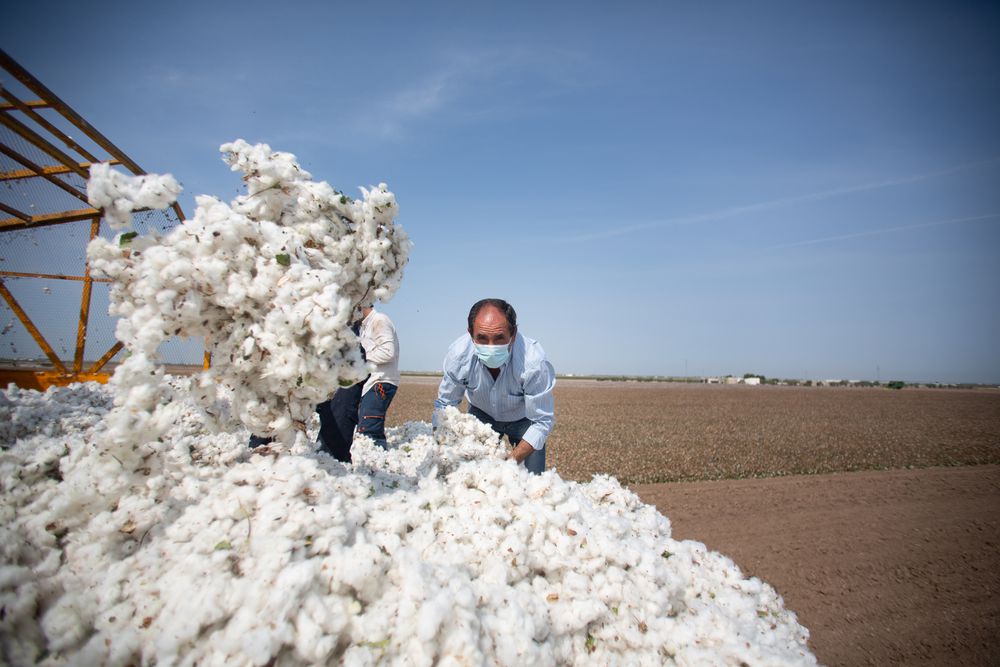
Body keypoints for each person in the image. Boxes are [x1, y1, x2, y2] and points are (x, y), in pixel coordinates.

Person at [434, 298, 555, 474]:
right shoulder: (459, 356)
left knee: (533, 481)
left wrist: (511, 461)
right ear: (470, 333)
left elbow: (542, 422)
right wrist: (442, 442)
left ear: (513, 334)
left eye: (499, 338)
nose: (490, 347)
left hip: (525, 420)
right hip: (481, 416)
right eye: (481, 338)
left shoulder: (533, 362)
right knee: (474, 477)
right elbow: (445, 406)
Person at [355, 303, 400, 448]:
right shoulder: (364, 327)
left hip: (380, 382)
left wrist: (360, 357)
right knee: (365, 427)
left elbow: (388, 352)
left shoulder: (380, 320)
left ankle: (378, 463)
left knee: (370, 431)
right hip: (373, 383)